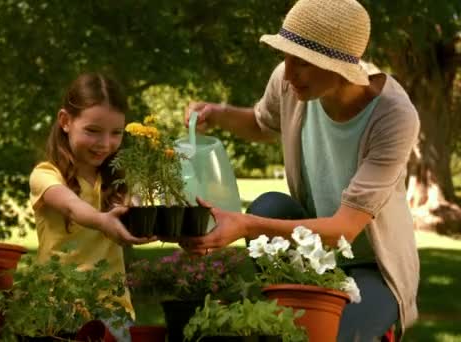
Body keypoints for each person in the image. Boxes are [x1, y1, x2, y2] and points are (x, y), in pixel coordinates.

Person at [180, 0, 420, 341]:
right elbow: (263, 123)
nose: (288, 73)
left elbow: (343, 230)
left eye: (302, 63)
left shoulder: (393, 117)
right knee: (269, 208)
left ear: (339, 67)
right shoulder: (289, 82)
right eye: (286, 57)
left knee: (332, 337)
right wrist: (217, 112)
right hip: (311, 250)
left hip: (373, 265)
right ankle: (292, 313)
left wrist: (243, 225)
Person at [29, 73, 154, 336]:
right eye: (93, 131)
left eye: (116, 133)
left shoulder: (120, 183)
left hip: (113, 308)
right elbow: (73, 207)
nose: (105, 144)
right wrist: (103, 221)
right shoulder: (46, 175)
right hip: (58, 305)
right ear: (65, 121)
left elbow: (140, 208)